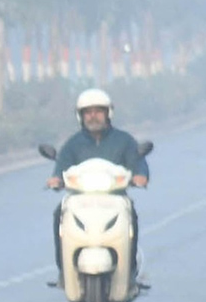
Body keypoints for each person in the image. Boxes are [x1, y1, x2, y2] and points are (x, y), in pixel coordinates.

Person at [47, 88, 150, 281]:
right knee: (58, 214)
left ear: (108, 113)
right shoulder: (72, 144)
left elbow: (137, 162)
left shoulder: (124, 141)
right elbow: (61, 167)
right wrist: (56, 179)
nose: (93, 116)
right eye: (88, 112)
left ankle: (130, 269)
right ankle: (64, 270)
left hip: (115, 198)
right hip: (80, 199)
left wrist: (140, 176)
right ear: (80, 116)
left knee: (131, 215)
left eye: (98, 111)